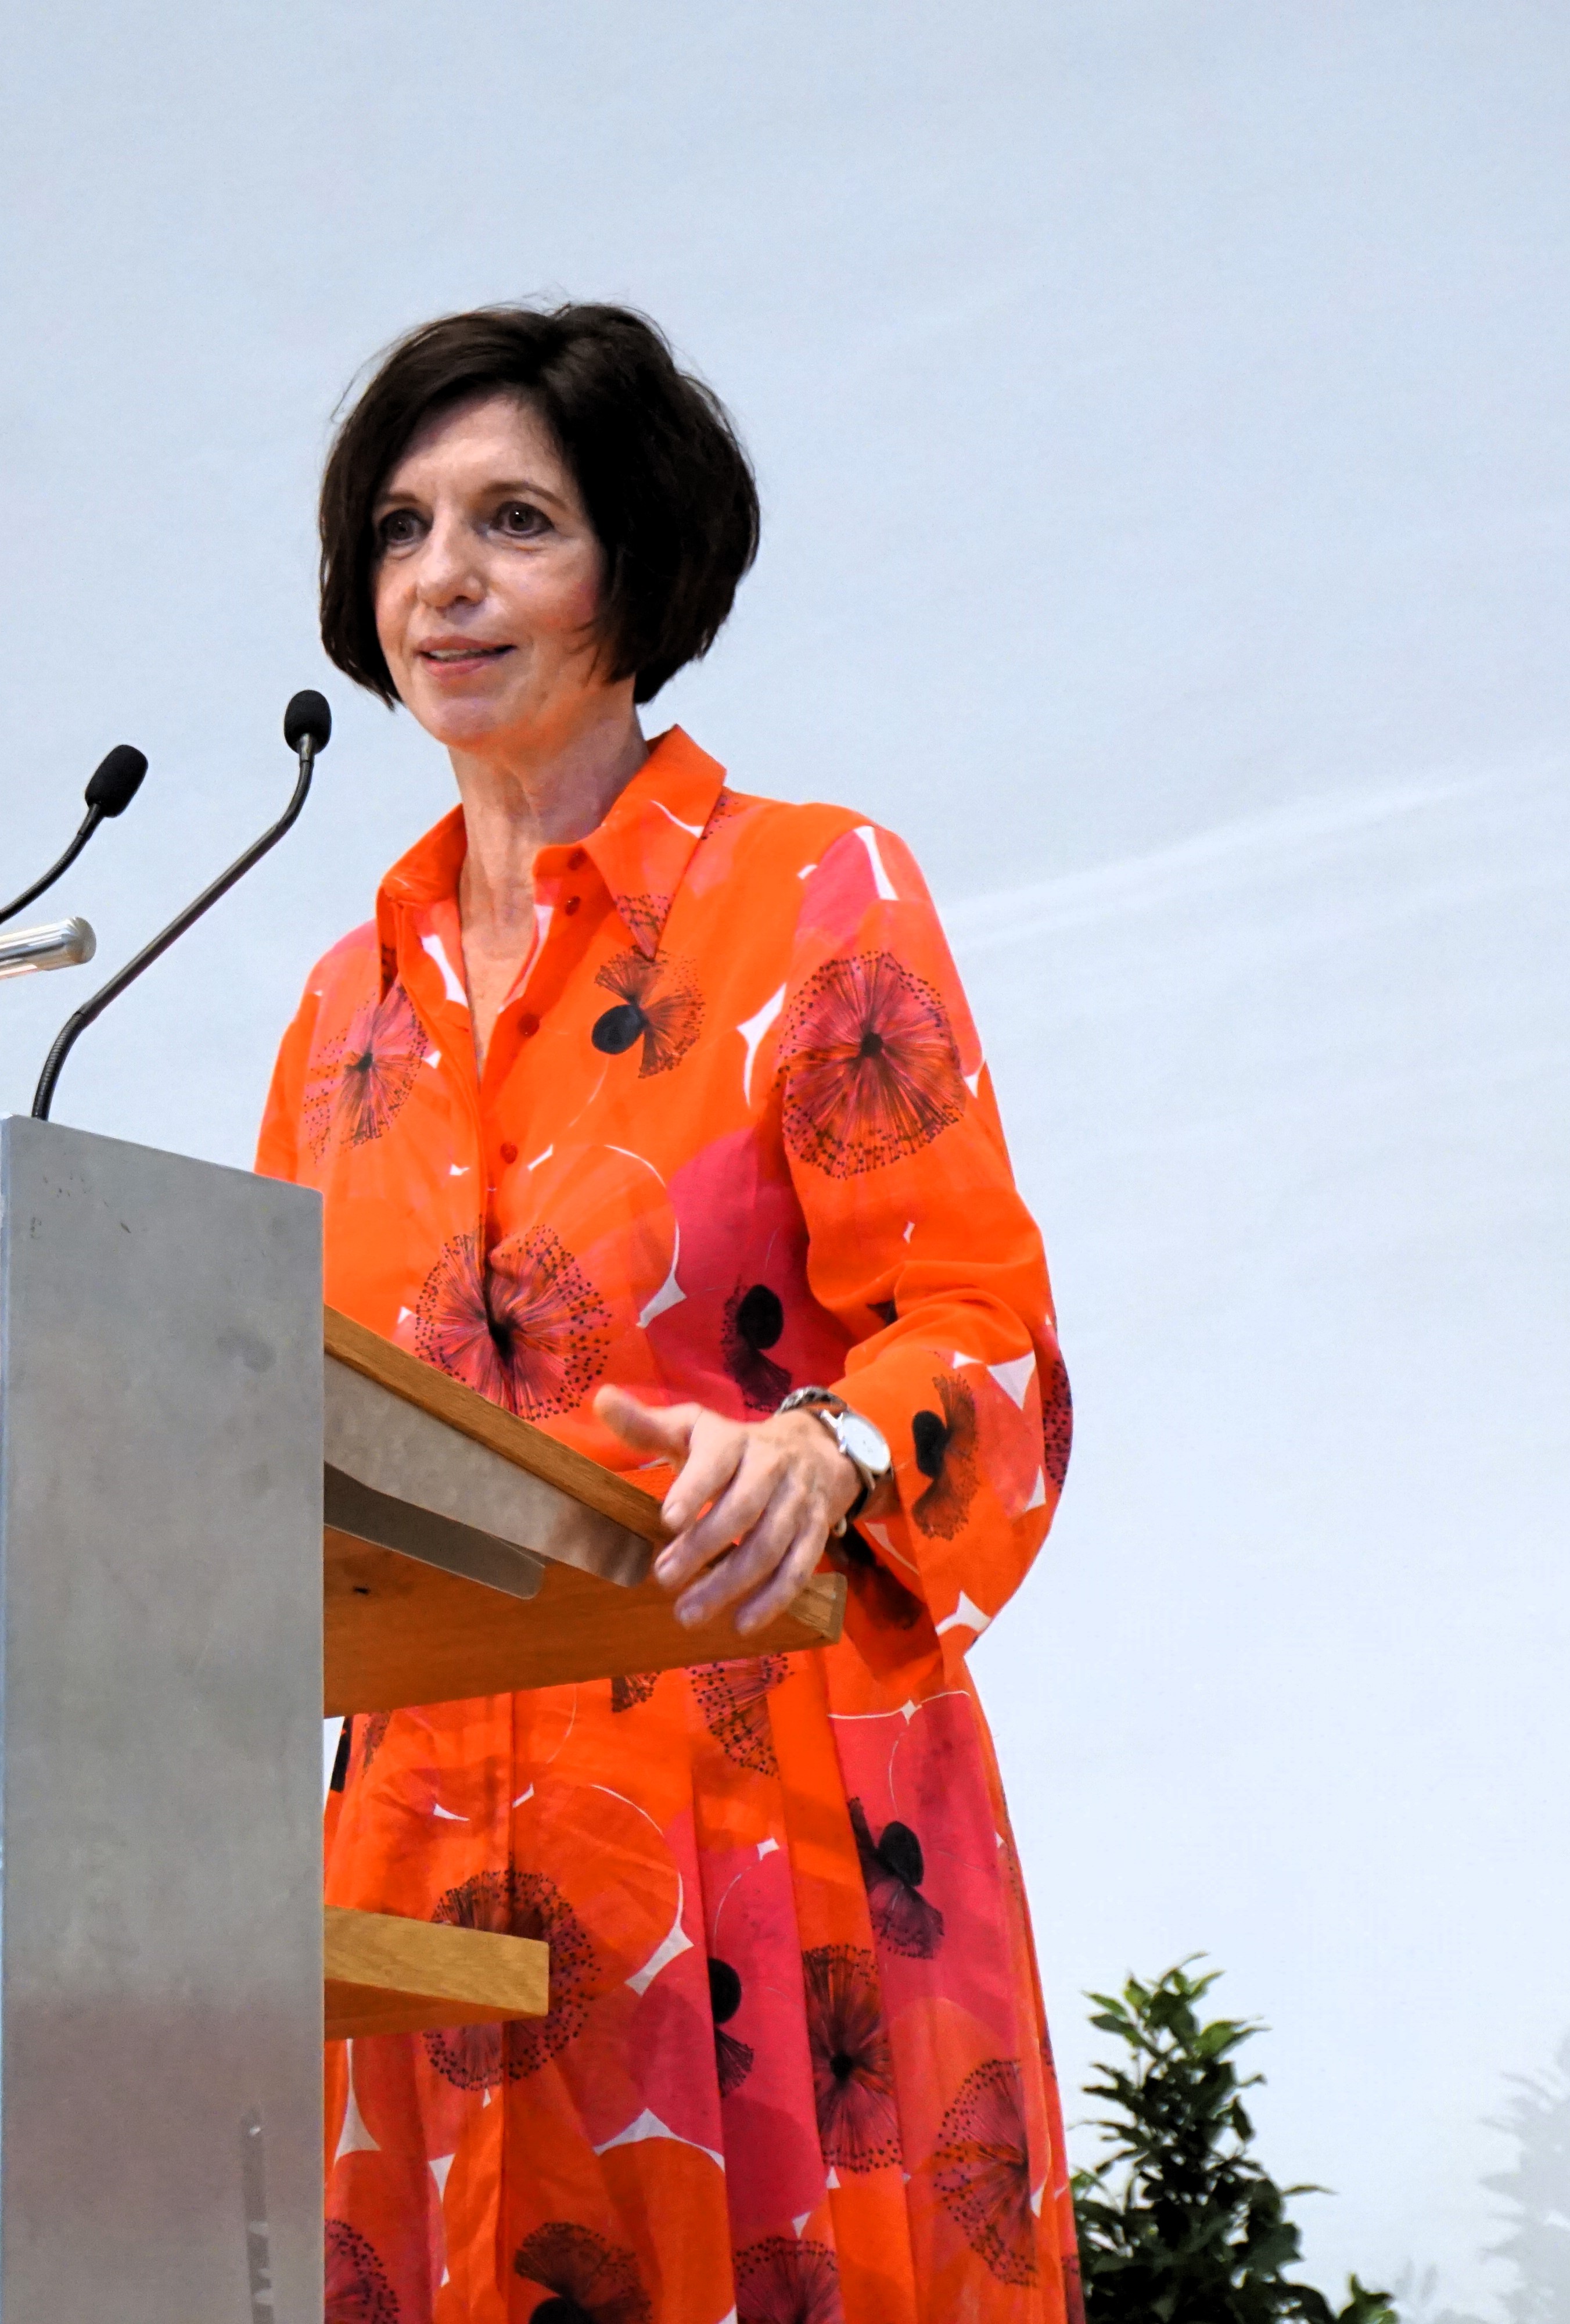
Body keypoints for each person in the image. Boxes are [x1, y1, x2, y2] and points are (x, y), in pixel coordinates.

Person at [262, 304, 1076, 2324]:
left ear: (639, 565)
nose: (442, 580)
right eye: (401, 530)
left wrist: (823, 1449)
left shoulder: (812, 895)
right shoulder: (339, 1014)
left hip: (747, 1804)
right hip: (412, 1850)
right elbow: (266, 1426)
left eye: (515, 522)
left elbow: (985, 1330)